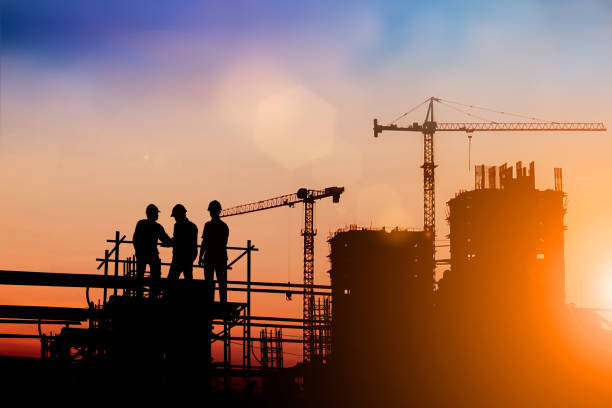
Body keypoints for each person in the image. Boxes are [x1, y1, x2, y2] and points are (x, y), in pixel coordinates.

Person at [132, 204, 172, 298]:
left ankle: (139, 295)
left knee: (140, 275)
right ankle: (153, 295)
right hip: (151, 253)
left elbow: (135, 239)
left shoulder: (141, 223)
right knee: (155, 274)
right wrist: (175, 241)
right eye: (156, 213)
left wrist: (138, 250)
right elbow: (166, 239)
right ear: (152, 214)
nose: (157, 215)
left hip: (142, 253)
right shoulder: (157, 226)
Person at [199, 200, 229, 304]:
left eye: (212, 211)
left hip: (212, 256)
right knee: (220, 281)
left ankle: (209, 301)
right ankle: (222, 302)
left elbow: (205, 242)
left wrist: (200, 256)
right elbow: (223, 243)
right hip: (219, 256)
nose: (211, 213)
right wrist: (200, 256)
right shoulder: (223, 226)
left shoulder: (208, 225)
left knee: (210, 282)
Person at [167, 204, 198, 280]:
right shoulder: (192, 226)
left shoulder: (178, 226)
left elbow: (178, 240)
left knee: (171, 280)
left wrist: (169, 242)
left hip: (181, 257)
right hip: (187, 257)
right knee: (188, 279)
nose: (175, 218)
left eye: (175, 216)